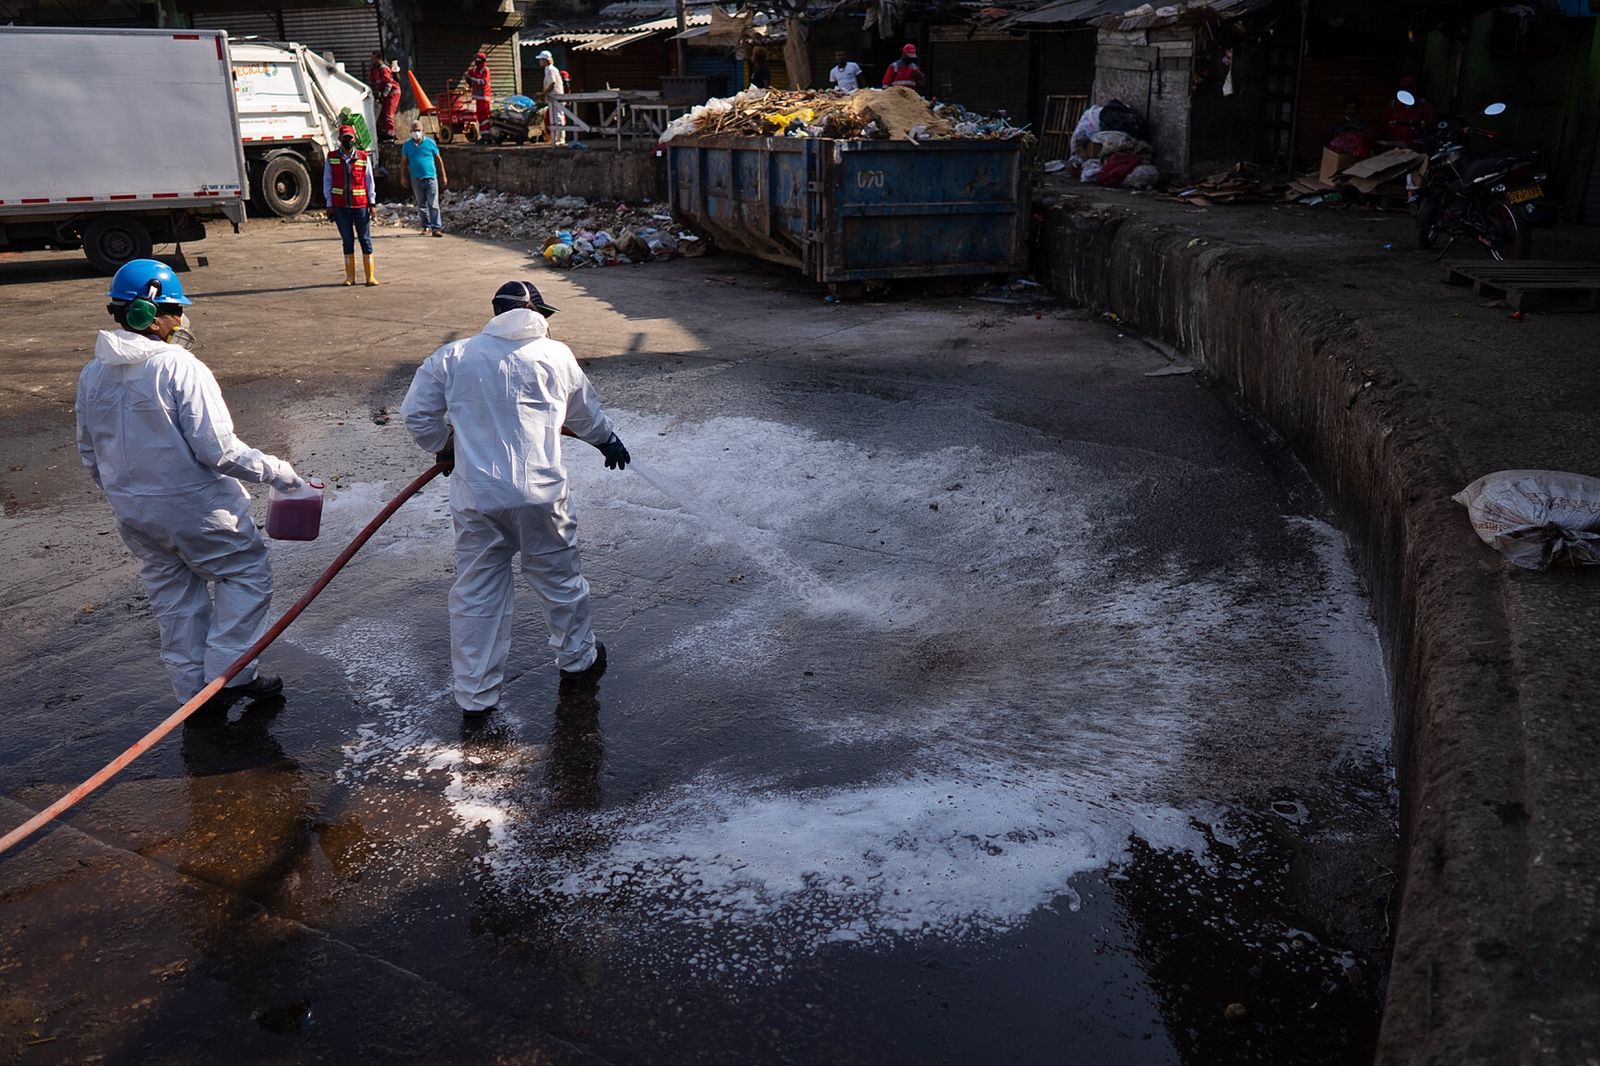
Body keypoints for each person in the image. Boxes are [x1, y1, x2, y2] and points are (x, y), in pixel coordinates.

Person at [76, 259, 303, 707]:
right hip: (197, 511)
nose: (181, 320)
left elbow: (90, 452)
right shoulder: (180, 367)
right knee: (244, 575)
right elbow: (219, 450)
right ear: (149, 314)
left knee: (174, 598)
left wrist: (130, 496)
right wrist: (280, 472)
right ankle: (230, 676)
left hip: (136, 515)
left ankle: (193, 694)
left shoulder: (93, 373)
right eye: (176, 310)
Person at [401, 280, 631, 716]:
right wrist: (606, 439)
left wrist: (445, 446)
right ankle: (578, 660)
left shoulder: (454, 356)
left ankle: (475, 695)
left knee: (477, 592)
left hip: (479, 497)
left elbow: (417, 415)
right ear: (535, 313)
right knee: (560, 580)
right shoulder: (556, 355)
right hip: (542, 496)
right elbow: (585, 413)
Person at [322, 125, 378, 286]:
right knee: (347, 240)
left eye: (350, 138)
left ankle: (370, 276)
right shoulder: (331, 157)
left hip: (360, 206)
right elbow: (327, 181)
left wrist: (372, 203)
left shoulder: (363, 157)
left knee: (365, 240)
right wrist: (329, 204)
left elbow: (369, 181)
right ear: (339, 139)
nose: (347, 141)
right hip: (340, 207)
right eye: (344, 138)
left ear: (354, 139)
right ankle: (350, 277)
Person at [400, 126, 448, 237]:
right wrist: (403, 177)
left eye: (418, 130)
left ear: (422, 131)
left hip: (431, 178)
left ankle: (436, 228)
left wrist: (443, 175)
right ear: (410, 132)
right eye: (414, 131)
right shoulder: (407, 145)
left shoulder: (430, 143)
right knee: (421, 204)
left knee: (433, 204)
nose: (416, 133)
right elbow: (403, 162)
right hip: (416, 179)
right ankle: (426, 226)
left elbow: (438, 159)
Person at [1384, 76, 1436, 145]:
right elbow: (1385, 123)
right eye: (1404, 88)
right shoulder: (1393, 106)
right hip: (1394, 144)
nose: (1407, 91)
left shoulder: (1424, 107)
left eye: (1410, 88)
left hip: (1415, 145)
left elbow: (1429, 125)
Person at [535, 50, 567, 146]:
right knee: (554, 117)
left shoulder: (550, 70)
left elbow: (552, 84)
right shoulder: (548, 69)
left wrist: (542, 93)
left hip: (556, 97)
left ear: (545, 60)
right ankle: (556, 138)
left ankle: (560, 139)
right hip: (553, 97)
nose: (539, 61)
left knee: (558, 118)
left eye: (541, 59)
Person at [369, 52, 401, 142]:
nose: (371, 60)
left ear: (378, 58)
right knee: (382, 114)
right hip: (385, 93)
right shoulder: (374, 69)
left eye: (373, 58)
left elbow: (389, 84)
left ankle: (390, 134)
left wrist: (383, 95)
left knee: (388, 113)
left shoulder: (383, 69)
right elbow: (374, 83)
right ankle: (384, 133)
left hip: (392, 92)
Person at [465, 52, 492, 130]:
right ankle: (483, 133)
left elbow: (483, 82)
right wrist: (467, 78)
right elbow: (467, 73)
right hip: (477, 98)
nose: (476, 61)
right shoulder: (475, 69)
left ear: (482, 60)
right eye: (475, 59)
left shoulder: (485, 70)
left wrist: (472, 80)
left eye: (478, 60)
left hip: (484, 97)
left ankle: (486, 133)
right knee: (479, 116)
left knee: (485, 117)